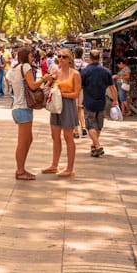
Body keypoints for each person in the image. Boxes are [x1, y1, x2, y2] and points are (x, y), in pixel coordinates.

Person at [41, 47, 82, 177]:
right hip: (55, 105)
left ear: (70, 59)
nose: (60, 59)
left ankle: (70, 168)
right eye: (59, 56)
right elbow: (46, 87)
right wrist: (48, 81)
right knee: (55, 136)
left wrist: (60, 94)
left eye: (64, 57)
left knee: (68, 136)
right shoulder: (55, 72)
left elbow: (76, 94)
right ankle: (54, 165)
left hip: (68, 105)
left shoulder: (75, 74)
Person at [9, 46, 43, 180]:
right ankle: (20, 171)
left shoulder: (14, 68)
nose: (33, 58)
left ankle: (21, 169)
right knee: (23, 142)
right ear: (26, 56)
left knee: (27, 139)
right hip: (23, 108)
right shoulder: (26, 67)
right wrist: (44, 79)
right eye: (31, 55)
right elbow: (33, 85)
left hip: (18, 107)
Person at [81, 49, 118, 159]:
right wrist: (115, 99)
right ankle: (94, 146)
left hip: (89, 102)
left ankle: (97, 145)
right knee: (98, 125)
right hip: (101, 102)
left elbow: (80, 87)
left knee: (90, 125)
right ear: (100, 58)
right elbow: (112, 87)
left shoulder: (85, 71)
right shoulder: (106, 71)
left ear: (90, 58)